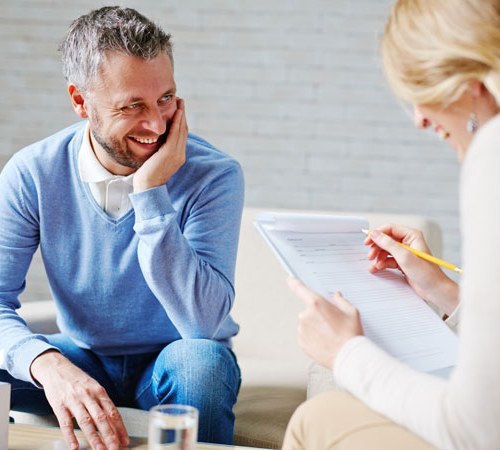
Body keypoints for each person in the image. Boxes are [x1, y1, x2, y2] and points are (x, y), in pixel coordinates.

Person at [0, 6, 244, 450]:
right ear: (80, 101)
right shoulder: (32, 173)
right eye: (133, 106)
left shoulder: (215, 175)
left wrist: (149, 192)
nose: (156, 124)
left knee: (201, 363)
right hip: (84, 356)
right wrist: (48, 364)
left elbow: (201, 324)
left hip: (176, 360)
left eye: (166, 99)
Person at [282, 0, 500, 449]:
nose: (420, 118)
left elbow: (475, 429)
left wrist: (347, 353)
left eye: (420, 89)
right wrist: (442, 291)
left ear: (463, 76)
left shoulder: (492, 155)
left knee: (317, 417)